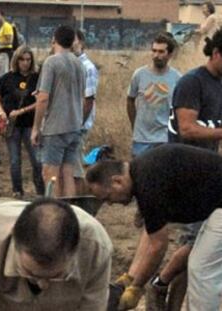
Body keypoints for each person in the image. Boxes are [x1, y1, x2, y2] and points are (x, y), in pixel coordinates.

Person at [135, 27, 222, 310]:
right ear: (217, 54)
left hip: (207, 173)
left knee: (198, 249)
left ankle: (171, 299)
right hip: (185, 175)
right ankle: (159, 283)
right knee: (196, 242)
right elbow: (187, 128)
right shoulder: (192, 82)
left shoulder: (218, 84)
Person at [86, 144, 222, 311]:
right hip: (216, 207)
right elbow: (150, 235)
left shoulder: (147, 183)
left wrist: (136, 288)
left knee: (202, 270)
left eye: (108, 197)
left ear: (117, 181)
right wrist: (130, 279)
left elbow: (158, 247)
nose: (111, 203)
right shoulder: (142, 171)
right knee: (198, 263)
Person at [0, 197, 112, 311]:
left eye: (56, 276)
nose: (43, 285)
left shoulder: (95, 249)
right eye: (30, 274)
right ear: (16, 243)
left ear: (74, 251)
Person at [31, 25, 85, 197]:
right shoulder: (79, 63)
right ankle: (71, 212)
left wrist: (36, 128)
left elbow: (43, 98)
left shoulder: (51, 62)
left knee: (50, 175)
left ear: (54, 39)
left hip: (55, 128)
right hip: (75, 126)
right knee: (68, 174)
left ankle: (54, 216)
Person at [0, 46, 45, 197]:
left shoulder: (37, 78)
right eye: (22, 59)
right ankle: (17, 191)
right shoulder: (8, 77)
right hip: (12, 125)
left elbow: (41, 101)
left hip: (30, 123)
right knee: (15, 160)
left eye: (28, 59)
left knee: (36, 160)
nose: (25, 63)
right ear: (17, 60)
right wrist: (2, 112)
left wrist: (21, 111)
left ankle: (40, 191)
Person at [127, 33, 181, 158]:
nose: (157, 55)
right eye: (154, 51)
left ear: (170, 54)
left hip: (165, 138)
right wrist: (134, 125)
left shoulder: (177, 78)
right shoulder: (139, 75)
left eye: (161, 52)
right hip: (142, 139)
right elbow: (130, 100)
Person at [72, 29, 99, 191]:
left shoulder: (87, 68)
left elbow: (88, 100)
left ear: (81, 43)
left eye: (74, 41)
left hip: (78, 126)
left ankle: (83, 199)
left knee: (76, 169)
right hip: (70, 124)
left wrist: (78, 123)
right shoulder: (71, 65)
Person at [0, 11, 14, 75]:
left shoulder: (6, 26)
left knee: (3, 72)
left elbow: (10, 41)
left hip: (5, 53)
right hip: (1, 53)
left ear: (2, 16)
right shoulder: (2, 27)